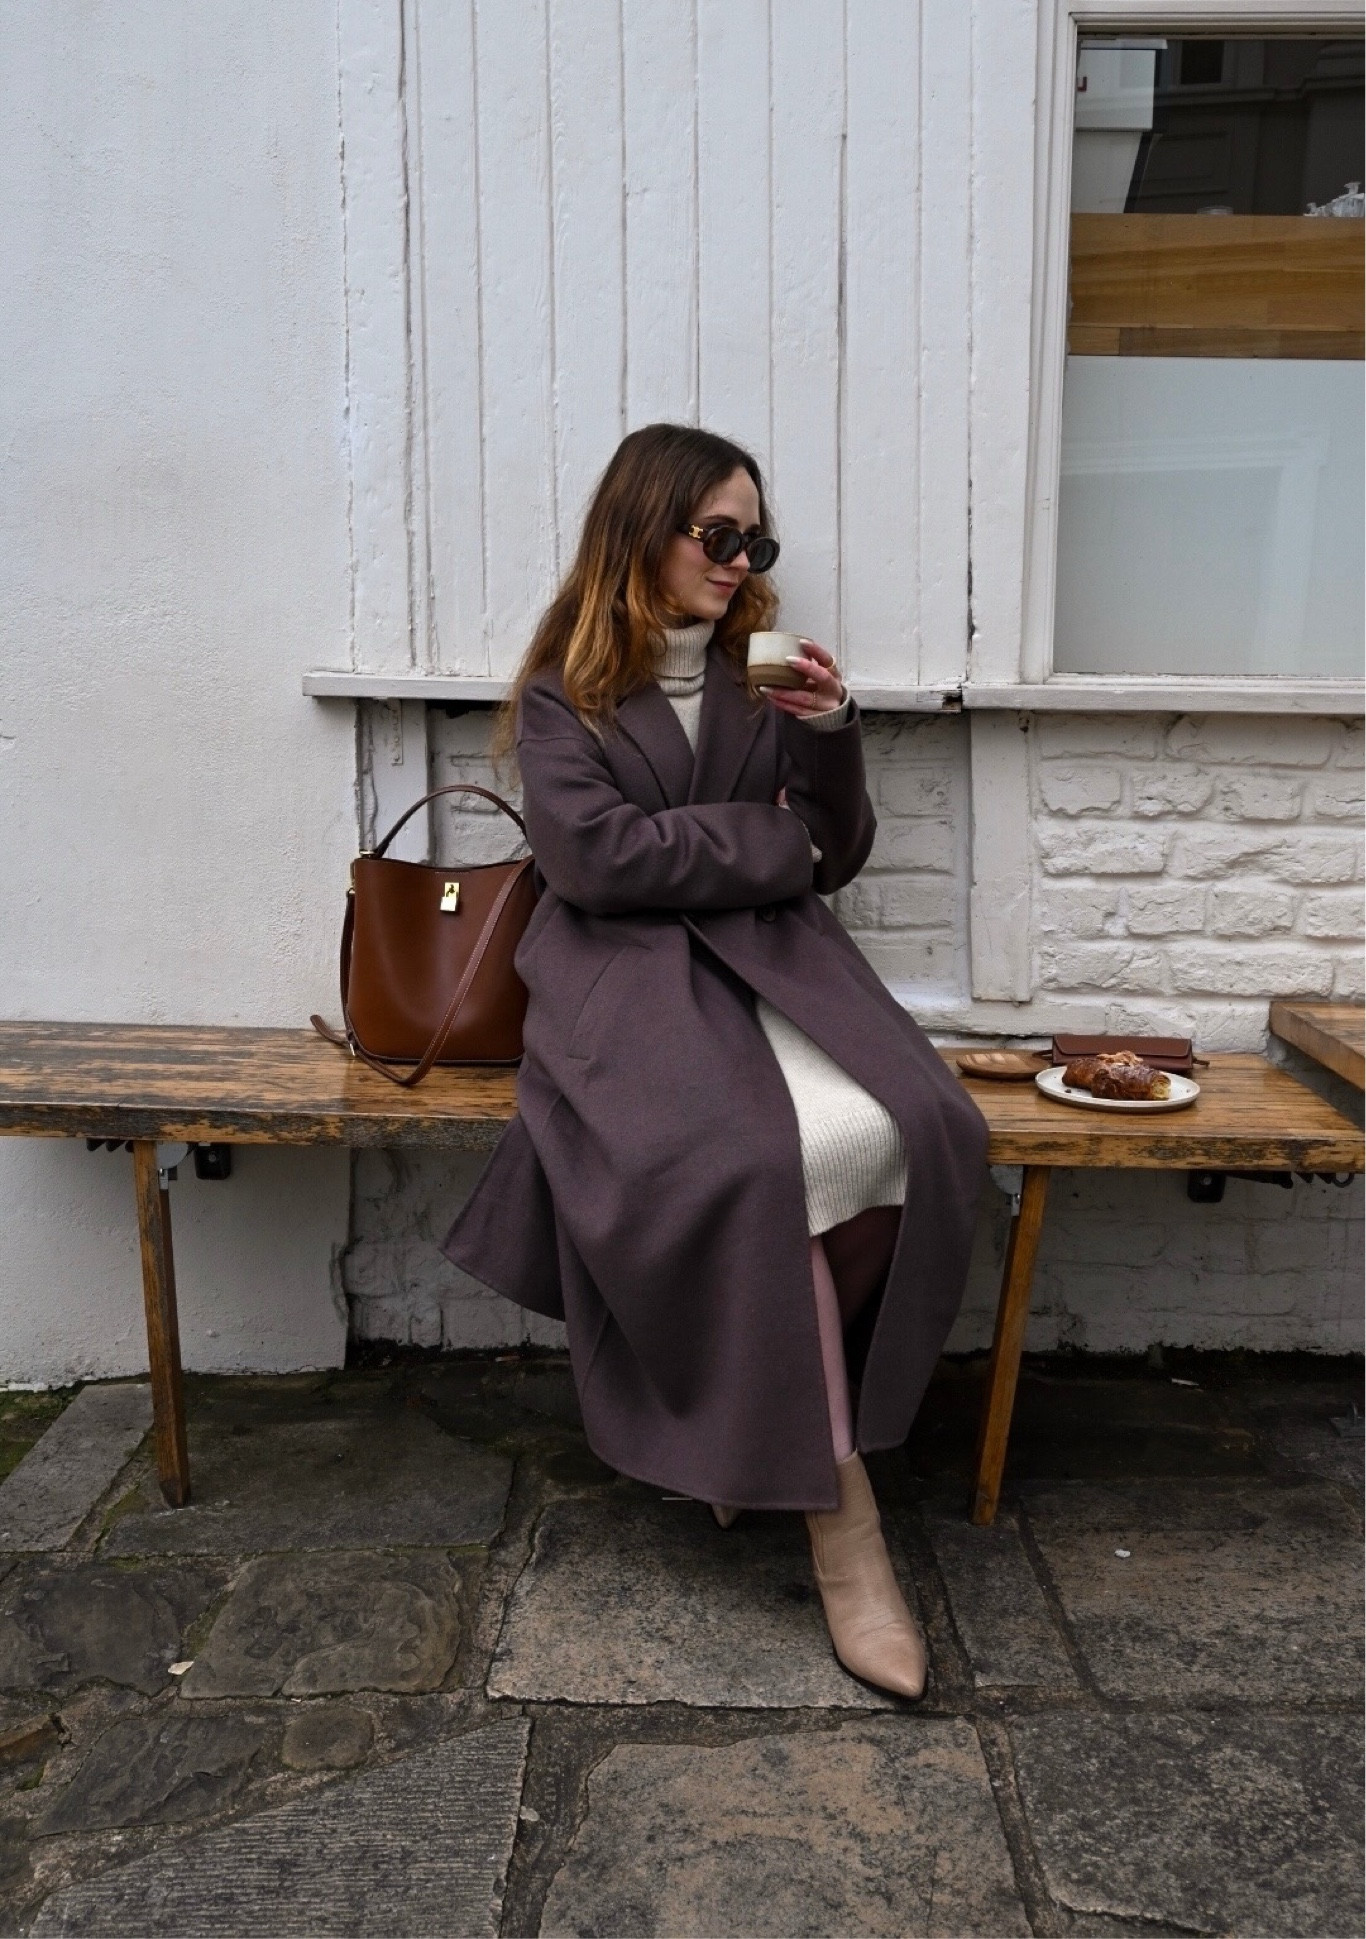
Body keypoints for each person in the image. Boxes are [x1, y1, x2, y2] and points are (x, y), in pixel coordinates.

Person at [444, 423, 988, 1698]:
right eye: (719, 535)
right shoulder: (561, 689)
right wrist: (767, 843)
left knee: (931, 1129)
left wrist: (831, 731)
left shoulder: (769, 673)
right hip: (623, 986)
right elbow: (594, 865)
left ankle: (761, 1418)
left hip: (778, 962)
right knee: (745, 1162)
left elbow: (831, 847)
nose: (741, 561)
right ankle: (842, 1528)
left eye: (758, 540)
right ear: (647, 526)